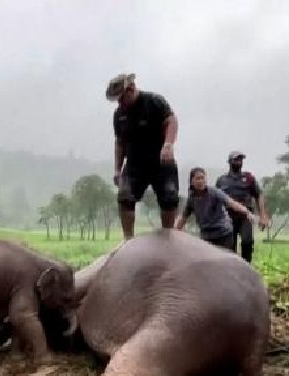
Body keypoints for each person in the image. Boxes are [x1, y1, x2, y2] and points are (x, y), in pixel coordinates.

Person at [106, 72, 179, 240]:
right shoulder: (119, 115)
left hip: (161, 160)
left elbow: (171, 121)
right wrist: (117, 169)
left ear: (131, 89)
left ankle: (169, 236)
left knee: (169, 196)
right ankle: (128, 239)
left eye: (121, 98)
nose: (120, 103)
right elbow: (119, 142)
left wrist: (168, 144)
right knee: (124, 196)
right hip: (135, 163)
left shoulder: (154, 101)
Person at [176, 167, 257, 250]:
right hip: (206, 236)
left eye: (202, 178)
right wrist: (174, 233)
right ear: (192, 181)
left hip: (223, 233)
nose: (200, 181)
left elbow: (231, 203)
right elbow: (183, 218)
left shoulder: (214, 192)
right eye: (197, 179)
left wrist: (247, 212)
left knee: (225, 259)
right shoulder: (191, 199)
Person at [215, 151, 269, 262]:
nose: (239, 162)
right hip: (227, 216)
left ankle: (247, 265)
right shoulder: (221, 180)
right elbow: (216, 199)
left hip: (246, 215)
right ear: (230, 162)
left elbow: (259, 195)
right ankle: (232, 269)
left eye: (240, 160)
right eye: (236, 159)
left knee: (247, 241)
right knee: (229, 246)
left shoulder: (249, 178)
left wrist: (263, 215)